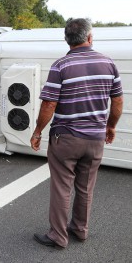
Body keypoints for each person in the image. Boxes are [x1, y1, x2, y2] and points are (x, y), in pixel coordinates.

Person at [31, 18, 123, 248]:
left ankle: (58, 236)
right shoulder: (108, 64)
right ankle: (80, 230)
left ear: (67, 40)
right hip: (95, 138)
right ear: (90, 38)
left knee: (62, 186)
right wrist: (110, 126)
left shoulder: (61, 65)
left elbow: (49, 104)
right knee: (86, 186)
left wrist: (38, 131)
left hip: (67, 138)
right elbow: (118, 101)